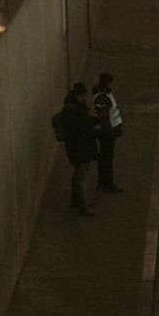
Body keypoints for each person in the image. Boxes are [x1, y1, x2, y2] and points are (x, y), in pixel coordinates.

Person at [59, 82, 98, 216]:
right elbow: (75, 128)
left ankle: (76, 201)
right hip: (78, 147)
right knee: (80, 176)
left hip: (83, 146)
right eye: (82, 96)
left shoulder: (77, 107)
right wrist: (88, 118)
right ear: (77, 96)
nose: (84, 99)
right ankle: (83, 205)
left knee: (78, 174)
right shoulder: (69, 110)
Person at [91, 72, 124, 194]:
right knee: (107, 158)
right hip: (106, 134)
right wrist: (111, 135)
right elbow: (104, 119)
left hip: (106, 132)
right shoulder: (103, 97)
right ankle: (107, 183)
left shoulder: (105, 94)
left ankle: (103, 182)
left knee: (104, 158)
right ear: (108, 83)